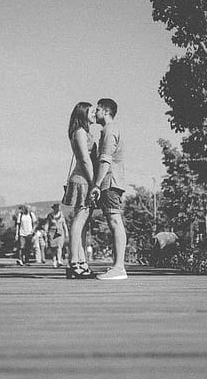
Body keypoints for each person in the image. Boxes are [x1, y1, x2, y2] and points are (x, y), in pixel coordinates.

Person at [90, 98, 127, 281]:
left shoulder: (110, 130)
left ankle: (119, 267)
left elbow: (105, 160)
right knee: (114, 222)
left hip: (110, 182)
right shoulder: (110, 130)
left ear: (105, 111)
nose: (94, 113)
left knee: (115, 221)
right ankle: (117, 266)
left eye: (97, 109)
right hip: (112, 181)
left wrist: (96, 184)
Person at [62, 101, 98, 279]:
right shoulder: (81, 132)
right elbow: (85, 159)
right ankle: (73, 262)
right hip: (83, 180)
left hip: (82, 179)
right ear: (83, 114)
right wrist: (94, 184)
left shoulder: (81, 132)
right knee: (80, 219)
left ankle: (81, 263)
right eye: (91, 111)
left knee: (83, 223)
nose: (95, 114)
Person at [45, 203, 69, 268]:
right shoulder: (50, 215)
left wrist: (66, 232)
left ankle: (59, 260)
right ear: (54, 208)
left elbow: (64, 224)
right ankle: (54, 261)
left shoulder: (61, 215)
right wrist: (45, 231)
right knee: (53, 248)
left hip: (60, 232)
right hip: (52, 232)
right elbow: (47, 224)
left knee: (59, 247)